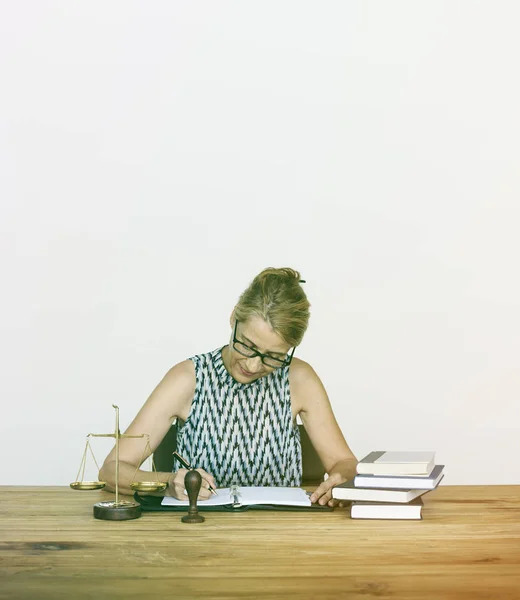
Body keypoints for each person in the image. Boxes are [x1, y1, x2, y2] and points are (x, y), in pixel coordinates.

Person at [99, 267, 357, 506]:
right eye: (247, 345)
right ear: (234, 318)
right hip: (200, 535)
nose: (254, 366)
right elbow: (111, 469)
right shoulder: (188, 378)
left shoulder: (299, 378)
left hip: (280, 535)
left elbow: (344, 463)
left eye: (273, 356)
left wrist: (340, 481)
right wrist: (167, 483)